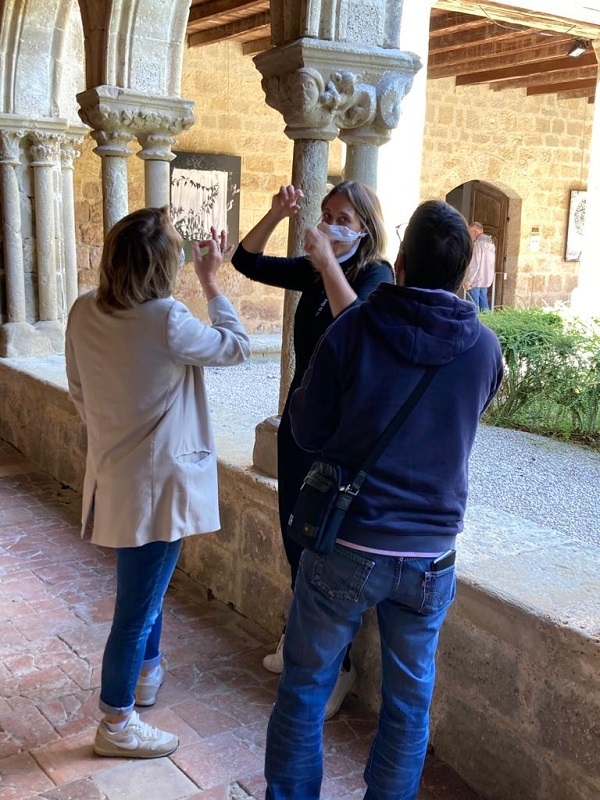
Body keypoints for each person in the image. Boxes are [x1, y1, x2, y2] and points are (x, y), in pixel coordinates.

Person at [264, 200, 504, 800]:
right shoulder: (484, 349)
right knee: (409, 704)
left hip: (348, 540)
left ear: (398, 264)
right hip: (431, 556)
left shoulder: (356, 328)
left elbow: (306, 428)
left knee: (304, 689)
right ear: (463, 277)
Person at [65, 206, 250, 759]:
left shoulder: (82, 311)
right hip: (159, 487)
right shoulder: (167, 319)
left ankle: (145, 676)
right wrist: (212, 281)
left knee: (144, 590)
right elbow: (236, 346)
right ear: (162, 266)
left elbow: (78, 389)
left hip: (113, 476)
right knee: (136, 607)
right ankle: (116, 722)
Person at [231, 181, 394, 717]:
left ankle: (338, 666)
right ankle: (297, 634)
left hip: (340, 441)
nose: (329, 224)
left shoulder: (375, 276)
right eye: (325, 214)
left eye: (342, 216)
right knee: (295, 537)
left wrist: (328, 265)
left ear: (365, 225)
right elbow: (246, 260)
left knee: (328, 547)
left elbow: (361, 333)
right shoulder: (317, 269)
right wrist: (277, 212)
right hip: (301, 428)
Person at [463, 221, 496, 311]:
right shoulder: (491, 243)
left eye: (470, 232)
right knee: (484, 304)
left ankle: (473, 324)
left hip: (475, 280)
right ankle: (489, 323)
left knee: (473, 307)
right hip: (486, 279)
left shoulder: (478, 244)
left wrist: (468, 281)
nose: (470, 235)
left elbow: (475, 264)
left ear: (475, 232)